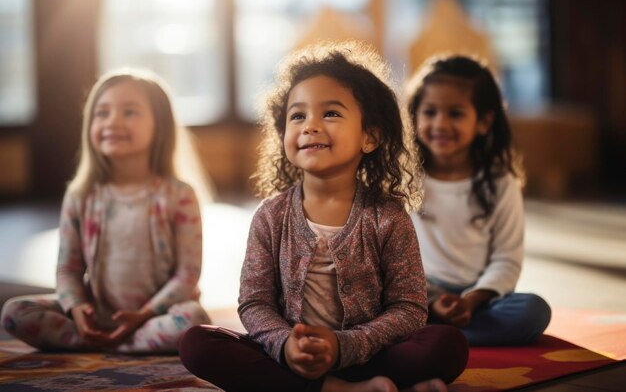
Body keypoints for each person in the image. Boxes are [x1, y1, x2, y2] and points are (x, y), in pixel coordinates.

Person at [179, 41, 468, 392]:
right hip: (292, 359)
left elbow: (408, 308)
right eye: (297, 115)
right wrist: (286, 344)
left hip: (369, 354)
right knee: (197, 343)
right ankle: (341, 389)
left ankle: (361, 382)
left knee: (447, 344)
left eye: (330, 113)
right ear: (283, 133)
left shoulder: (388, 216)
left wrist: (342, 346)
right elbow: (255, 302)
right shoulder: (271, 215)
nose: (310, 125)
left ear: (370, 136)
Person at [0, 68, 210, 353]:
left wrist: (144, 315)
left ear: (159, 124)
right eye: (102, 113)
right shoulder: (81, 195)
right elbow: (68, 269)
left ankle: (115, 343)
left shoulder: (179, 195)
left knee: (193, 321)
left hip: (155, 316)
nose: (112, 122)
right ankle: (98, 337)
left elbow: (187, 275)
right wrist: (76, 309)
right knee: (14, 312)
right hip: (97, 313)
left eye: (130, 112)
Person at [405, 54, 551, 346]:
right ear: (414, 117)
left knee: (533, 311)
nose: (440, 124)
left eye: (456, 113)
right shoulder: (402, 178)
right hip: (416, 293)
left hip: (480, 299)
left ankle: (432, 336)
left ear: (483, 122)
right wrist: (431, 300)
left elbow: (507, 260)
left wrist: (470, 301)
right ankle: (430, 330)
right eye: (429, 112)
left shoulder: (500, 182)